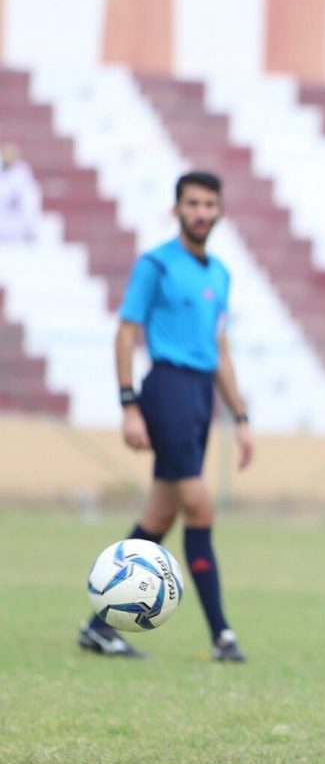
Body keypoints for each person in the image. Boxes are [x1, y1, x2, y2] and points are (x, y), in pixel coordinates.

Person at [77, 172, 253, 660]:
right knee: (200, 505)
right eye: (192, 203)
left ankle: (98, 628)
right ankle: (222, 635)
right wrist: (129, 404)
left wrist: (240, 417)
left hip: (201, 396)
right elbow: (125, 333)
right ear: (176, 210)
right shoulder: (155, 264)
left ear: (219, 212)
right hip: (167, 388)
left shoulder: (221, 274)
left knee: (161, 512)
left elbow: (220, 348)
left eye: (209, 204)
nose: (201, 212)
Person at [0, 142, 41, 242]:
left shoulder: (22, 170)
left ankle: (29, 230)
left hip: (17, 212)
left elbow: (26, 189)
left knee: (31, 196)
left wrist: (16, 199)